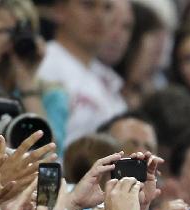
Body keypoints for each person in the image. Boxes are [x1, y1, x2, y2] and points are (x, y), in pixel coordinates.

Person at [0, 0, 69, 149]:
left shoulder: (51, 94)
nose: (11, 40)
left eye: (19, 32)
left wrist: (27, 81)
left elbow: (49, 152)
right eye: (1, 31)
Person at [36, 0, 127, 146]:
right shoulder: (41, 62)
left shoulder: (110, 79)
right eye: (88, 5)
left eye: (107, 8)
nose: (100, 16)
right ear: (60, 10)